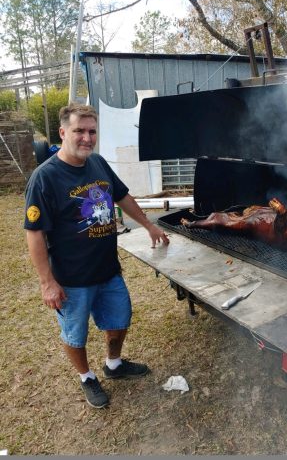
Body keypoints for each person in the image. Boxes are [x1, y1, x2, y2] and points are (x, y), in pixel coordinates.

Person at [24, 103, 169, 408]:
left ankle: (113, 364)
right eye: (79, 131)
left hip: (108, 270)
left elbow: (121, 195)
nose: (87, 138)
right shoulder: (45, 178)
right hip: (73, 279)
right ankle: (87, 376)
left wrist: (147, 225)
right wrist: (46, 282)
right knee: (76, 334)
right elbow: (34, 232)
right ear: (63, 132)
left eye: (92, 131)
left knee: (120, 319)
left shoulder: (98, 163)